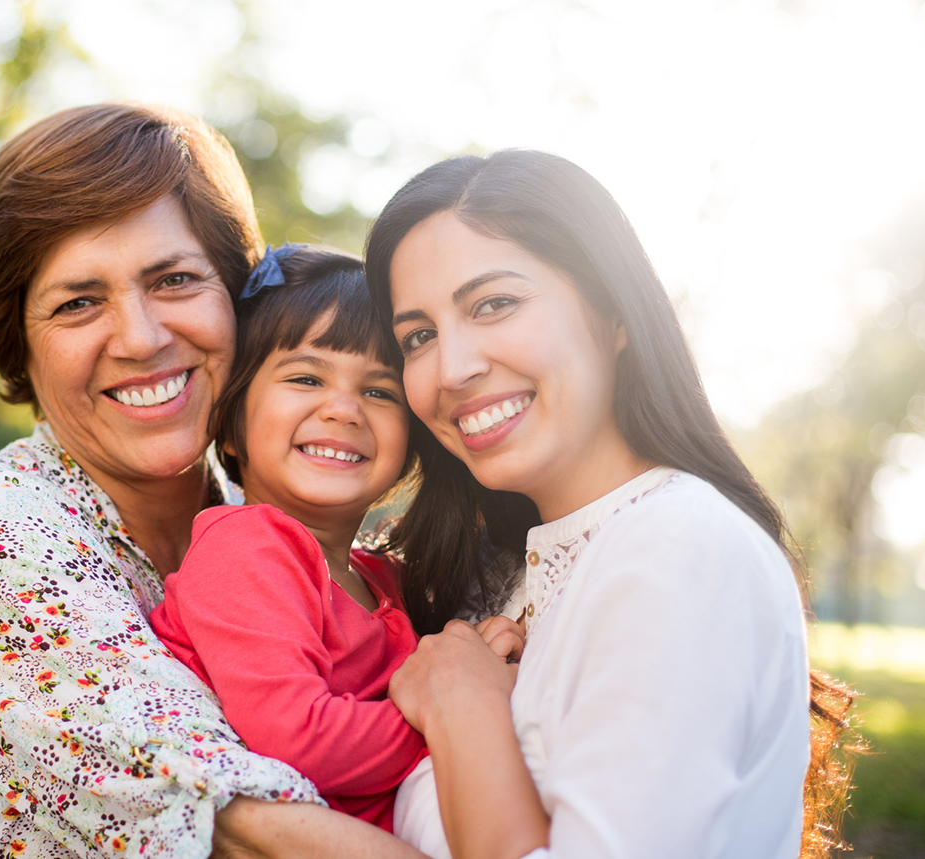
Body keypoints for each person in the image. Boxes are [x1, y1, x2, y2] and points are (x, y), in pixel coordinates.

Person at [0, 103, 423, 859]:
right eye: (78, 302)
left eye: (173, 279)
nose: (140, 337)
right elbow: (243, 826)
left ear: (237, 302)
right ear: (20, 342)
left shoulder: (271, 516)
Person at [363, 150, 848, 859]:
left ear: (615, 310)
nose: (453, 367)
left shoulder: (679, 544)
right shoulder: (508, 577)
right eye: (419, 336)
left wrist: (465, 708)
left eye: (494, 302)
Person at [149, 245, 428, 832]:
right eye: (306, 377)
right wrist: (454, 715)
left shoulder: (385, 576)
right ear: (230, 427)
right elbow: (299, 739)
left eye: (381, 391)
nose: (345, 409)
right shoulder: (247, 548)